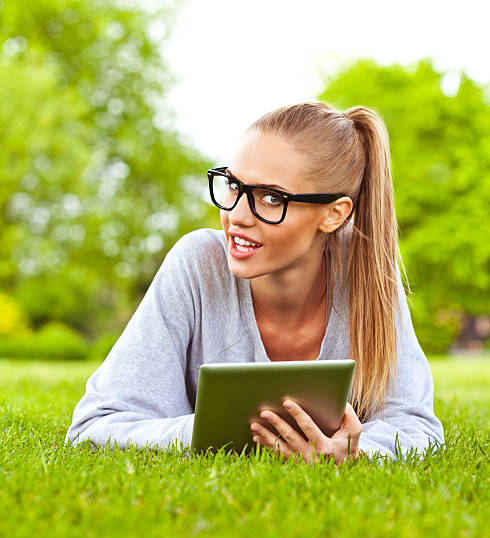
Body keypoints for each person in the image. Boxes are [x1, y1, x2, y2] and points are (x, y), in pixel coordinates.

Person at [65, 101, 444, 464]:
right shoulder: (197, 264)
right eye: (233, 186)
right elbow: (95, 425)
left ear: (333, 214)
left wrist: (353, 451)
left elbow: (416, 428)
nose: (236, 215)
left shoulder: (367, 273)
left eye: (270, 197)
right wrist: (227, 433)